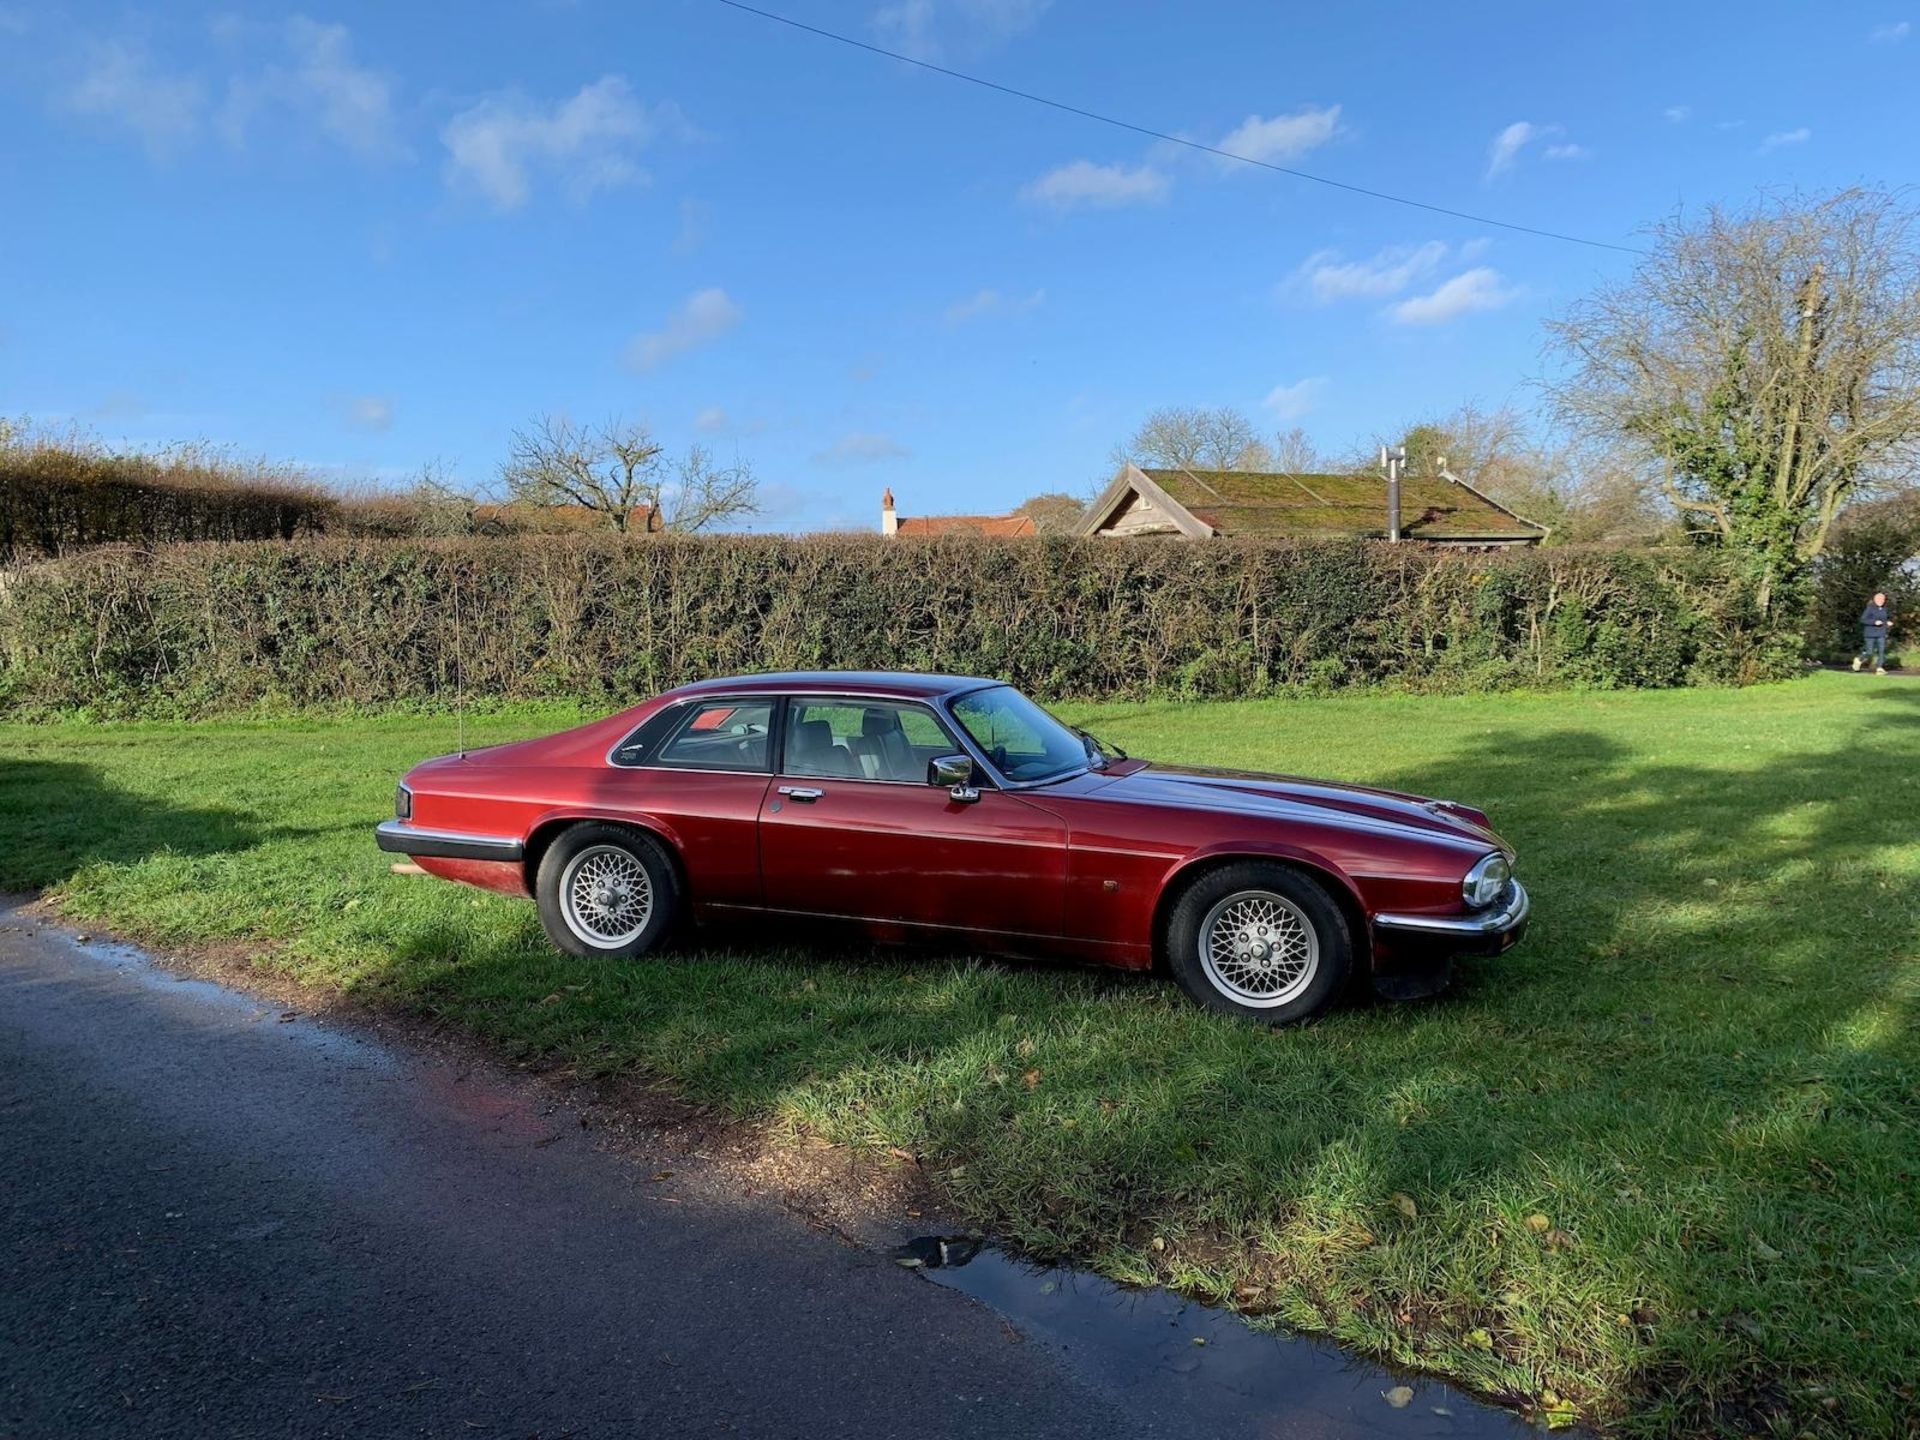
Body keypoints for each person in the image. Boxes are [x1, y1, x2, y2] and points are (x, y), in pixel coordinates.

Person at [1854, 591, 1892, 675]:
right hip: (1870, 633)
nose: (1881, 601)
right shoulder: (1870, 608)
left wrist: (1888, 623)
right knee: (1869, 652)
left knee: (1881, 651)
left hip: (1881, 633)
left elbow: (1885, 619)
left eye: (1883, 599)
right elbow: (1863, 620)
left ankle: (1879, 668)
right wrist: (1874, 622)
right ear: (1875, 599)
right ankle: (1859, 659)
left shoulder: (1885, 609)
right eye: (1879, 599)